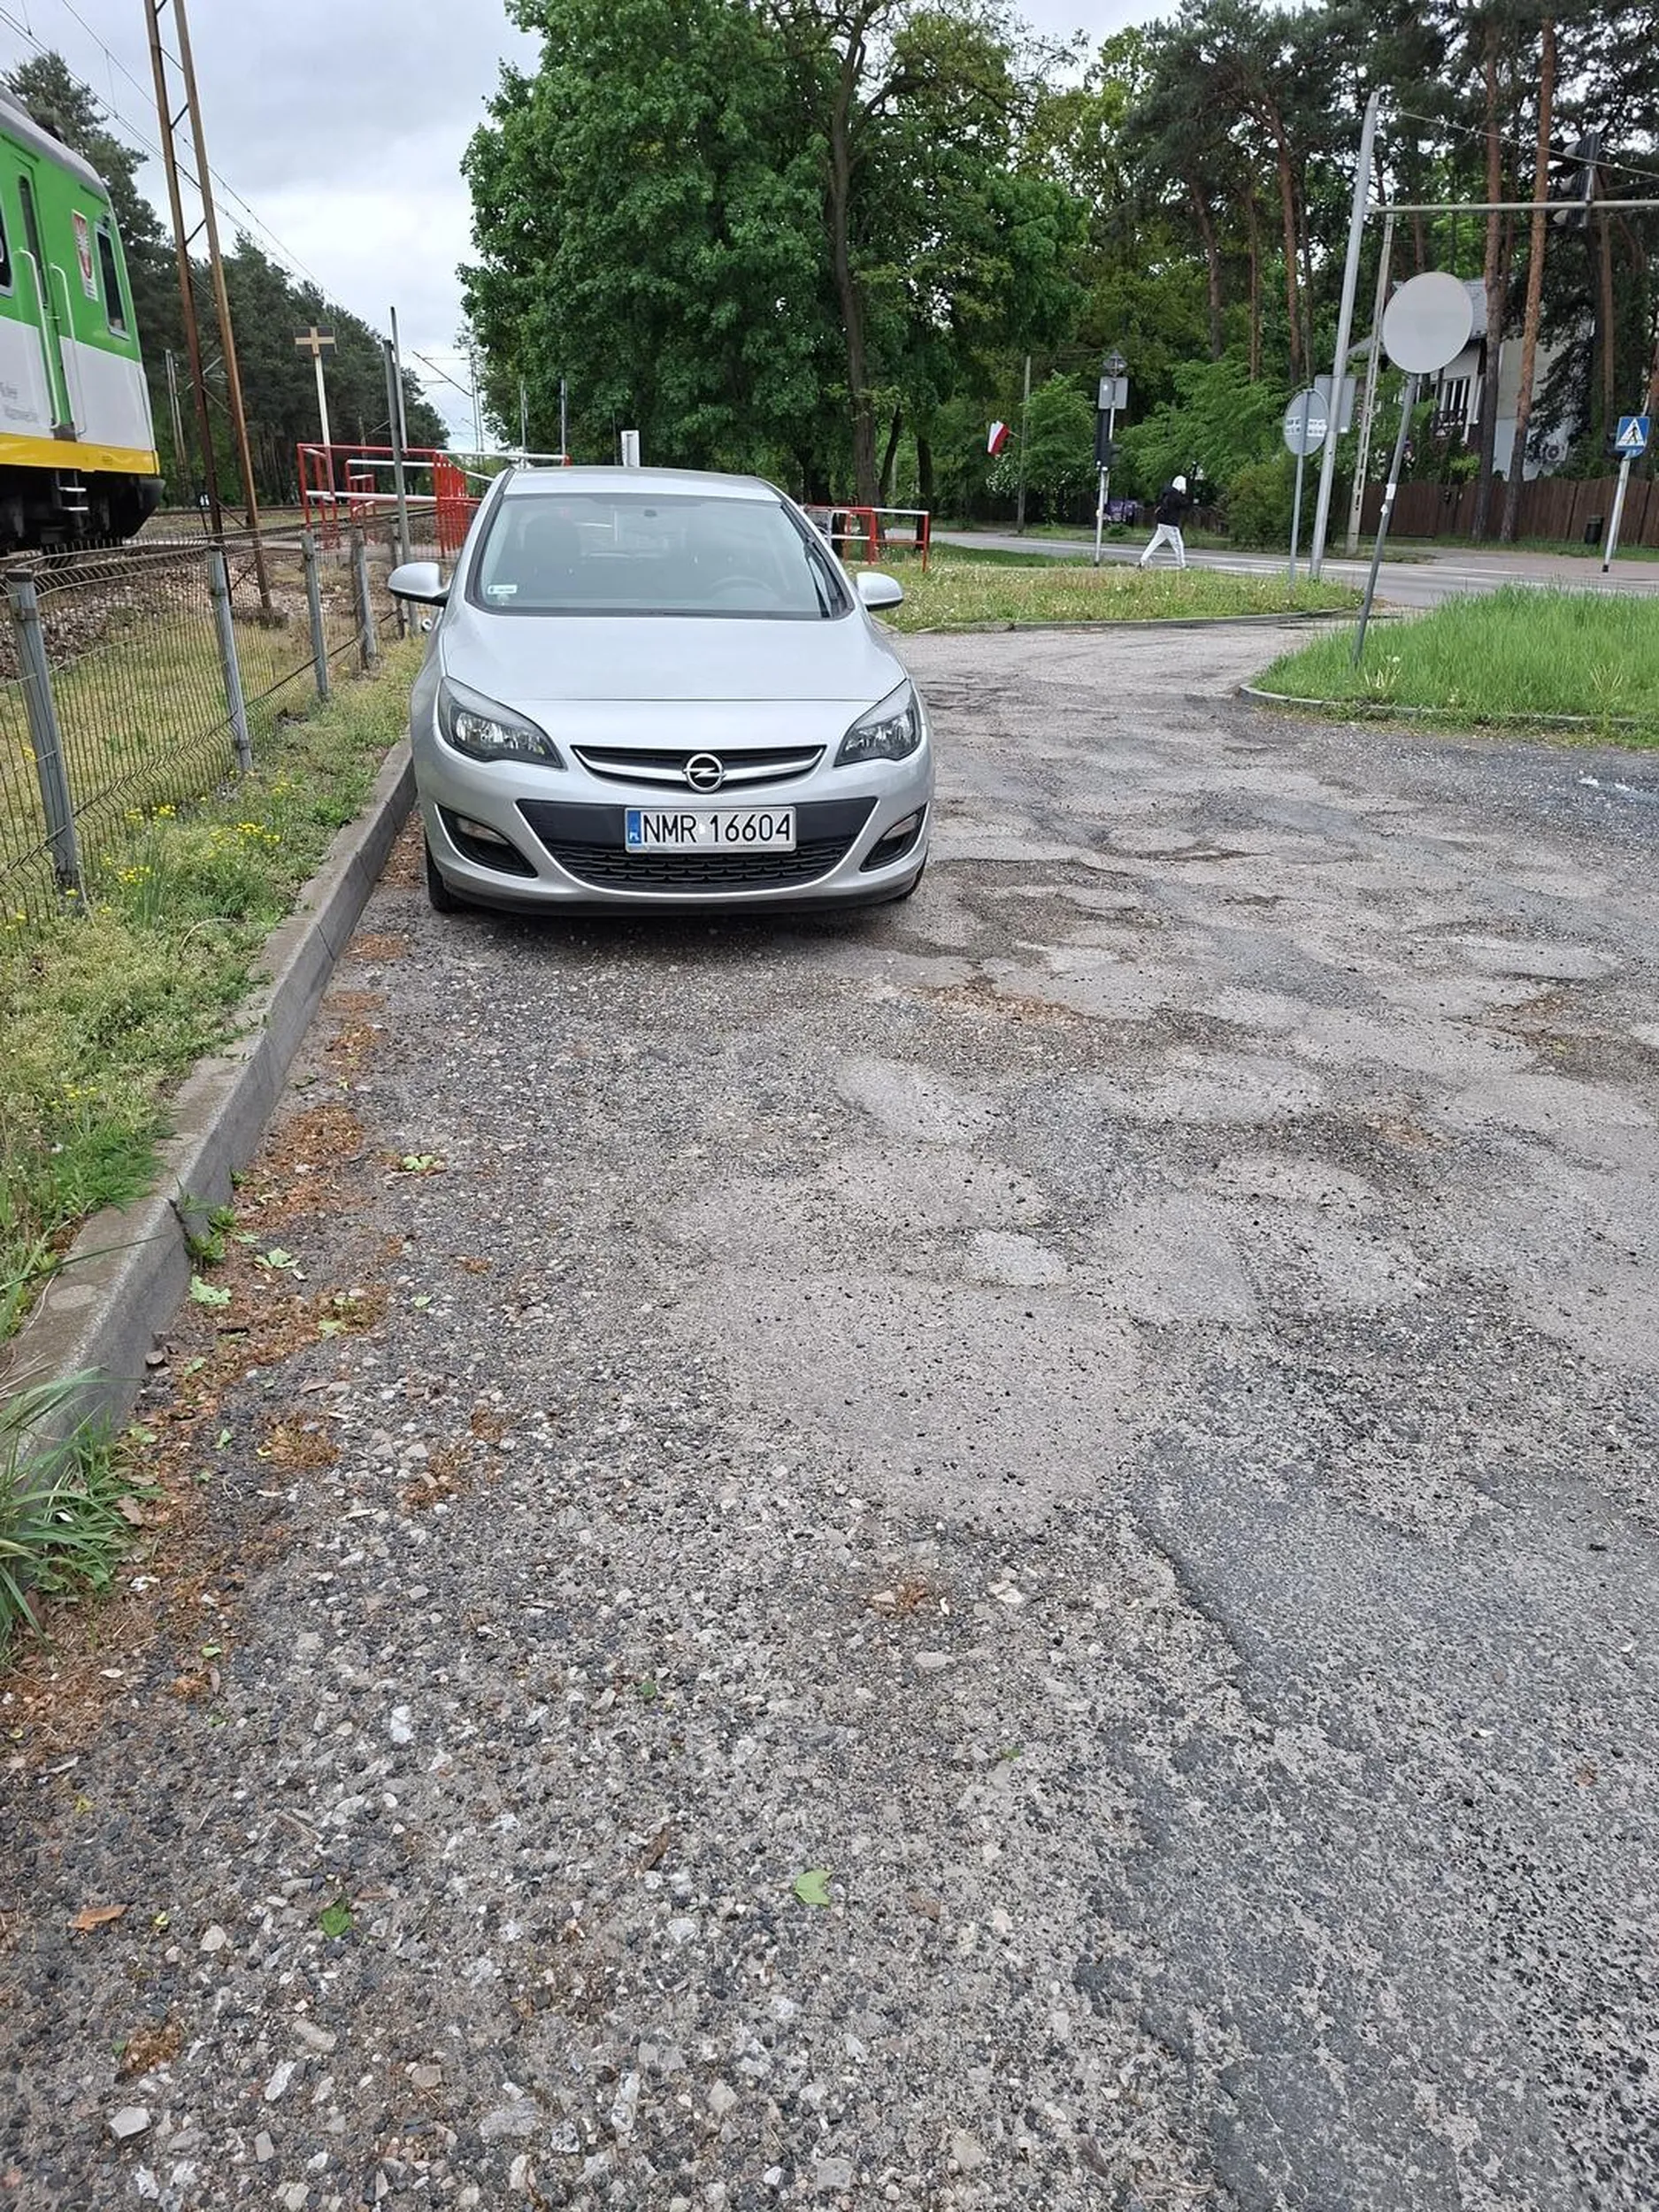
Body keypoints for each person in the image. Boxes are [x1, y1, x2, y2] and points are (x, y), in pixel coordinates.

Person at [1138, 474, 1192, 569]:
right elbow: (1185, 505)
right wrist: (1184, 494)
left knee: (1154, 543)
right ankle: (1182, 566)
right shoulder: (1176, 495)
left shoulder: (1166, 493)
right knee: (1179, 545)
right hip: (1170, 524)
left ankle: (1142, 561)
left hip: (1162, 523)